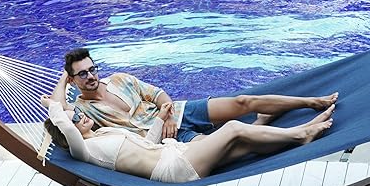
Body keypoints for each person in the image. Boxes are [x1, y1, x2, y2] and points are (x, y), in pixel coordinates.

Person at [43, 83, 335, 183]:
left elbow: (147, 142)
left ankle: (295, 129)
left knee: (244, 144)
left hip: (174, 150)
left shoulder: (103, 133)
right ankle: (300, 135)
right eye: (75, 118)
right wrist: (58, 97)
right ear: (68, 132)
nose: (79, 116)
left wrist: (161, 118)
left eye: (77, 113)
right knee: (234, 129)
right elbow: (62, 119)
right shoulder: (84, 150)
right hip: (174, 168)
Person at [54, 48, 338, 143]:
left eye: (92, 69)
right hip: (165, 141)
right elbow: (56, 109)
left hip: (179, 112)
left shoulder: (119, 79)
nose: (90, 76)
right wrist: (64, 79)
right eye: (82, 74)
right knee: (232, 140)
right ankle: (287, 130)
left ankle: (312, 101)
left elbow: (158, 95)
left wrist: (167, 113)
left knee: (242, 102)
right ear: (73, 79)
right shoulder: (82, 111)